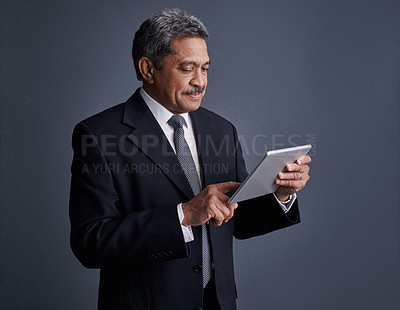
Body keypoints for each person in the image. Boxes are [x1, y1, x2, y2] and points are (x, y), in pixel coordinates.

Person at [69, 8, 311, 310]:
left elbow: (240, 219)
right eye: (187, 68)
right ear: (148, 69)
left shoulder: (222, 129)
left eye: (205, 68)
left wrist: (281, 195)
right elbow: (91, 242)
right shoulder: (98, 135)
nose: (200, 81)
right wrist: (182, 215)